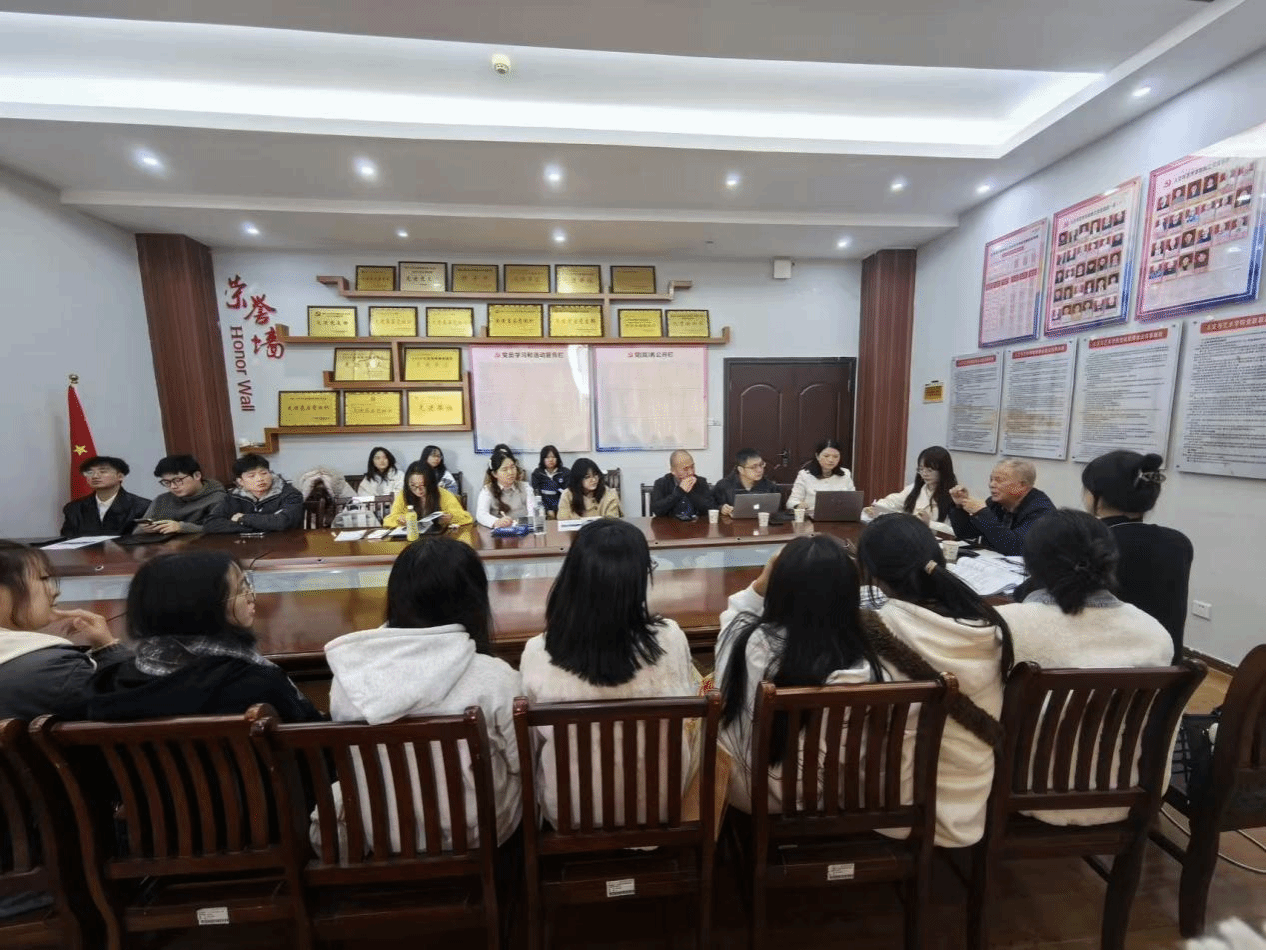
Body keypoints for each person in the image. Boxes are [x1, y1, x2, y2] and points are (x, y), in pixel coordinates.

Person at [323, 538, 521, 848]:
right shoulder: (495, 678)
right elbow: (520, 761)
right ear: (474, 600)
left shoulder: (349, 677)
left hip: (384, 836)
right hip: (477, 835)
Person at [519, 519, 700, 829]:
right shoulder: (671, 639)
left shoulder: (537, 652)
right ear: (637, 580)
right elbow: (686, 718)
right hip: (659, 807)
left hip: (571, 814)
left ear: (572, 577)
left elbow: (531, 746)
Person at [998, 509, 1173, 826]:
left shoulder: (1010, 626)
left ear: (1031, 565)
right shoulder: (1154, 632)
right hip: (1120, 794)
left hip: (1020, 791)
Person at [856, 513, 1012, 848]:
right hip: (970, 803)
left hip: (899, 807)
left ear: (875, 576)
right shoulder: (989, 626)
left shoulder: (882, 629)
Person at [715, 535, 883, 812]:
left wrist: (759, 584)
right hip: (829, 800)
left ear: (778, 589)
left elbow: (731, 624)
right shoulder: (865, 665)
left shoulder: (751, 644)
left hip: (748, 795)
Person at [87, 551, 322, 722]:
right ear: (203, 608)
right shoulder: (258, 684)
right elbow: (315, 742)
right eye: (241, 590)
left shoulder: (110, 685)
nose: (252, 597)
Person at [0, 540, 131, 720]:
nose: (55, 591)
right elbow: (136, 705)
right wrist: (108, 648)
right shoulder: (60, 670)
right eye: (43, 579)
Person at [1081, 450, 1192, 659]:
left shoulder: (1089, 543)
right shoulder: (1179, 542)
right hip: (1164, 666)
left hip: (1101, 667)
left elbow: (1034, 595)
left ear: (1097, 497)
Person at [948, 457, 1055, 555]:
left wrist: (982, 512)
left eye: (999, 480)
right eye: (991, 479)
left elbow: (1015, 547)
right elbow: (966, 533)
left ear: (1022, 485)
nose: (991, 485)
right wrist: (959, 507)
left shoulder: (1041, 511)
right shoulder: (995, 503)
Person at [203, 454, 304, 534]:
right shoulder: (233, 497)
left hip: (284, 545)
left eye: (264, 473)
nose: (260, 479)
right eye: (252, 476)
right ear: (240, 481)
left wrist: (243, 519)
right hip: (245, 546)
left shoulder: (290, 494)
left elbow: (283, 522)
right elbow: (211, 524)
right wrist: (259, 527)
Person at [60, 455, 151, 537]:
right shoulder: (74, 508)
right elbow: (66, 539)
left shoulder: (143, 506)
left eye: (103, 471)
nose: (95, 476)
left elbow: (145, 539)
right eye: (90, 472)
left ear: (120, 476)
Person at [136, 454, 226, 534]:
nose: (173, 486)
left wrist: (182, 528)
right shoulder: (161, 500)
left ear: (197, 475)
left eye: (178, 480)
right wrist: (145, 530)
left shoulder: (218, 498)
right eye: (166, 482)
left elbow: (222, 528)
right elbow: (136, 533)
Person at [869, 445, 957, 524]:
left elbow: (953, 530)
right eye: (921, 469)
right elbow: (894, 501)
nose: (924, 474)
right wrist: (876, 507)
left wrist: (929, 523)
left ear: (943, 471)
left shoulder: (954, 495)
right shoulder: (915, 488)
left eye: (929, 470)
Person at [382, 460, 473, 529]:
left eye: (423, 485)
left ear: (431, 483)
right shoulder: (404, 494)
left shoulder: (442, 493)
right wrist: (399, 520)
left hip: (438, 538)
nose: (418, 490)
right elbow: (387, 521)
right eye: (413, 486)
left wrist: (451, 518)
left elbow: (467, 518)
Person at [786, 438, 856, 514]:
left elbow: (853, 501)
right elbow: (791, 502)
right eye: (826, 456)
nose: (831, 460)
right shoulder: (805, 475)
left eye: (835, 456)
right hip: (812, 517)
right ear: (817, 456)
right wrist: (798, 505)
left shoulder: (846, 473)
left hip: (840, 517)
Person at [474, 448, 533, 528]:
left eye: (513, 467)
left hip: (523, 530)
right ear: (495, 474)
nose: (510, 472)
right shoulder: (487, 490)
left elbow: (533, 513)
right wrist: (497, 522)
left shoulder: (525, 487)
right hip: (499, 533)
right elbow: (481, 515)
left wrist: (516, 523)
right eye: (504, 469)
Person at [713, 448, 780, 516]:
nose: (759, 470)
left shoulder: (769, 485)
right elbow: (712, 506)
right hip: (731, 522)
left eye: (761, 465)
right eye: (753, 467)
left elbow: (777, 510)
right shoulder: (724, 486)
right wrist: (721, 508)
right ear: (741, 470)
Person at [648, 450, 714, 519]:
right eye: (685, 469)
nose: (691, 472)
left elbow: (711, 509)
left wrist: (690, 491)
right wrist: (680, 491)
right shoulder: (661, 483)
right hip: (671, 524)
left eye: (692, 467)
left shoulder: (701, 482)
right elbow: (657, 511)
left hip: (696, 523)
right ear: (673, 471)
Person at [556, 457, 622, 519]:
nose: (593, 480)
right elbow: (563, 520)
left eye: (595, 475)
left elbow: (613, 522)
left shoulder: (610, 494)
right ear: (577, 479)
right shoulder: (567, 495)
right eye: (587, 477)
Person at [530, 444, 570, 517]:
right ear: (542, 459)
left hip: (562, 507)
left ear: (557, 458)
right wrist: (547, 510)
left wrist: (557, 509)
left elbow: (567, 494)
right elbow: (537, 494)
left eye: (553, 457)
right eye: (547, 457)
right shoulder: (537, 473)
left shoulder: (565, 472)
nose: (551, 460)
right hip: (543, 509)